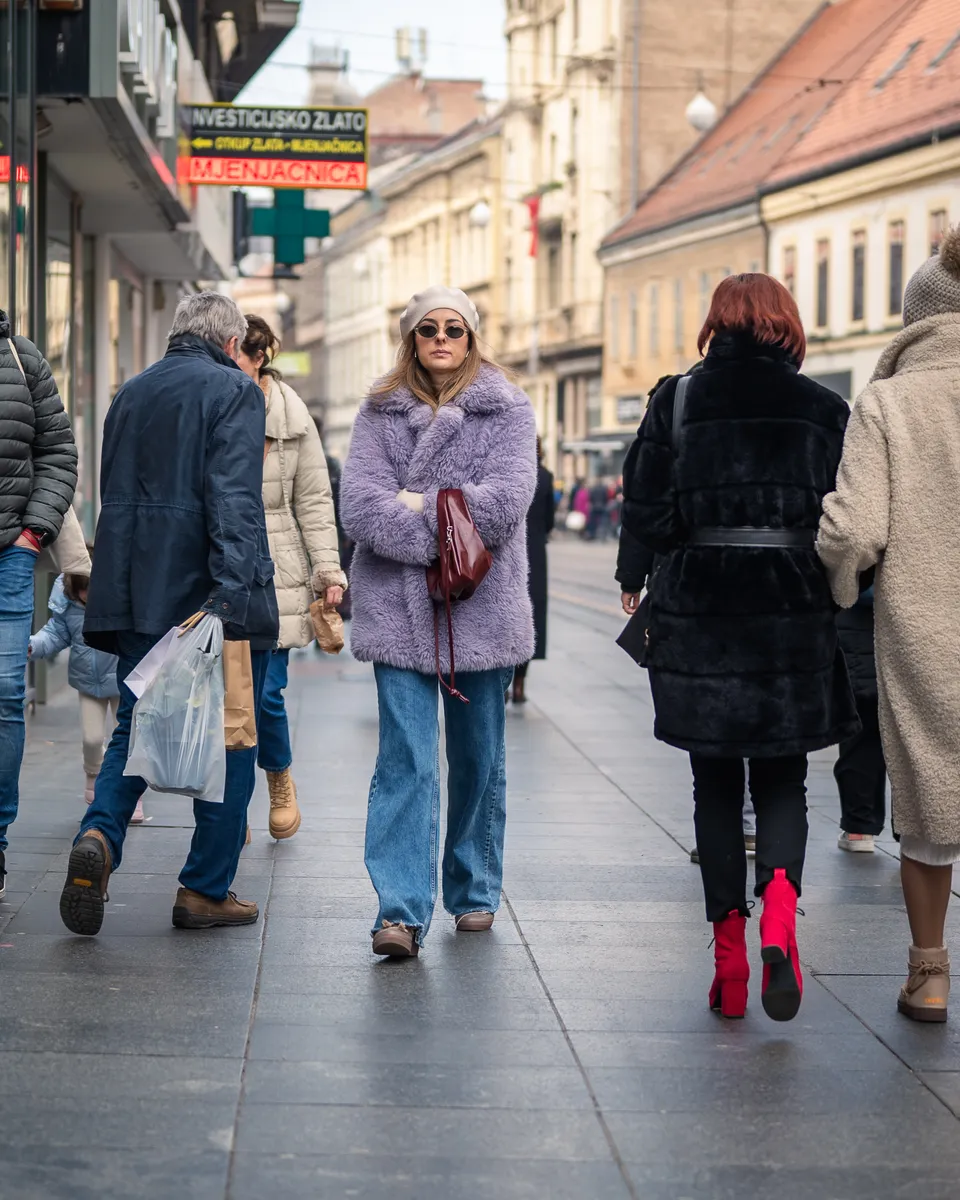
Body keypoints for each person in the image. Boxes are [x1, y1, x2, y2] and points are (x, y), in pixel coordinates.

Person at [622, 273, 858, 1022]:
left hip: (703, 607)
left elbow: (647, 504)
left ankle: (728, 958)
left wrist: (635, 576)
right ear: (786, 322)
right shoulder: (825, 408)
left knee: (714, 784)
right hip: (792, 602)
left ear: (716, 322)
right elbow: (845, 517)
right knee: (784, 778)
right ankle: (781, 914)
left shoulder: (679, 399)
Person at [58, 292, 279, 937]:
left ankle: (99, 836)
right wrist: (233, 595)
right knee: (231, 732)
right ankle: (204, 888)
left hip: (133, 590)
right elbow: (234, 500)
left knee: (136, 721)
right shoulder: (234, 392)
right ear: (232, 343)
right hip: (202, 592)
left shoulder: (131, 393)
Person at [340, 286, 536, 958]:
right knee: (406, 759)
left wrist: (415, 502)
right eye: (429, 328)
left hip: (482, 609)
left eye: (455, 328)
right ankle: (398, 909)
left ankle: (474, 887)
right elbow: (360, 506)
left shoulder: (507, 407)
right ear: (411, 337)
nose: (442, 338)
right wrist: (444, 524)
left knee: (479, 758)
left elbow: (508, 501)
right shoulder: (378, 409)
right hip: (396, 612)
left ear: (473, 336)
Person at [818, 227, 960, 1023]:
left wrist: (841, 591)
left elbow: (852, 533)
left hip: (927, 629)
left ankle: (930, 974)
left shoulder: (890, 401)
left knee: (931, 810)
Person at [237, 316, 345, 840]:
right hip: (221, 567)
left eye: (236, 352)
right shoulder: (212, 405)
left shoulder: (292, 415)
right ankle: (231, 806)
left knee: (266, 695)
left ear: (259, 357)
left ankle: (278, 778)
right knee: (222, 697)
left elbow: (315, 501)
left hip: (278, 566)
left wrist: (328, 571)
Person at [0, 312, 77, 901]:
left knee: (4, 696)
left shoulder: (22, 357)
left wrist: (34, 533)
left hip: (10, 555)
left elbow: (57, 452)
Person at [29, 557, 145, 823]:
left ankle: (131, 793)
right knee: (92, 738)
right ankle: (93, 775)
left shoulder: (118, 605)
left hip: (122, 680)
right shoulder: (70, 608)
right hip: (87, 681)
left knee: (128, 739)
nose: (86, 595)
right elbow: (56, 634)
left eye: (91, 588)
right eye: (81, 589)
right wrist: (33, 645)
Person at [834, 582, 887, 853]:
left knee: (862, 717)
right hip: (920, 609)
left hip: (859, 607)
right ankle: (916, 830)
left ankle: (859, 827)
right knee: (913, 726)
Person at [511, 437, 555, 704]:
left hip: (508, 551)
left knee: (506, 613)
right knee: (532, 616)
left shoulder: (511, 474)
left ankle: (502, 680)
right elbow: (550, 520)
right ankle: (520, 684)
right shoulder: (547, 477)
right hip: (536, 553)